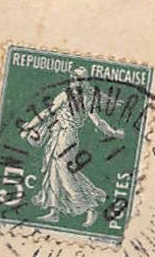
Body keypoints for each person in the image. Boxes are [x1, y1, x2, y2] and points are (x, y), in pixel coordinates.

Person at [20, 67, 125, 227]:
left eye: (80, 79)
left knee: (65, 172)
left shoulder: (85, 99)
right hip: (58, 135)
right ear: (71, 78)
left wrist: (114, 133)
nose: (77, 81)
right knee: (53, 171)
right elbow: (46, 112)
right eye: (75, 78)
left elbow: (98, 122)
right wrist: (30, 126)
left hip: (67, 137)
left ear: (84, 81)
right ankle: (54, 211)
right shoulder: (65, 95)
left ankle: (89, 206)